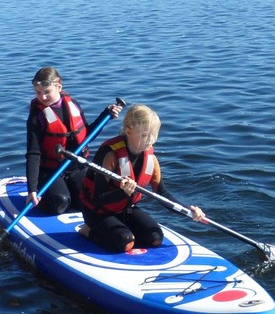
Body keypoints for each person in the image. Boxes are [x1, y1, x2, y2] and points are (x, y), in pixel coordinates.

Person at [78, 104, 207, 253]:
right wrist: (123, 192)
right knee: (124, 242)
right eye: (145, 135)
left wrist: (188, 211)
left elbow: (162, 194)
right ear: (128, 130)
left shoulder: (151, 159)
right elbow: (98, 198)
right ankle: (87, 231)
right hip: (97, 212)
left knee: (155, 238)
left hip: (125, 210)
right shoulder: (110, 155)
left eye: (154, 135)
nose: (150, 141)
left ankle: (121, 232)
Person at [25, 66, 122, 214]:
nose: (42, 97)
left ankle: (70, 193)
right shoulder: (36, 117)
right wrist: (31, 189)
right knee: (60, 202)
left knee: (89, 199)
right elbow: (33, 154)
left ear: (59, 86)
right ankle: (51, 193)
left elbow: (86, 136)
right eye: (38, 93)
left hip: (75, 168)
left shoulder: (73, 105)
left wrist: (105, 115)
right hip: (50, 171)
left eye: (47, 92)